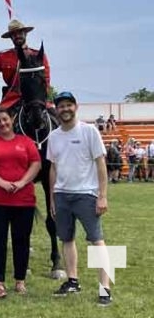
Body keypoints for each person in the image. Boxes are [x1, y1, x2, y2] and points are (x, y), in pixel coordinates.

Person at [47, 91, 112, 307]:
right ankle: (72, 281)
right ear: (56, 110)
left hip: (86, 194)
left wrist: (102, 196)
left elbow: (100, 164)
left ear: (76, 107)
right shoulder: (54, 136)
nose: (65, 109)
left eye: (68, 105)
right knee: (66, 239)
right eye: (61, 106)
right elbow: (53, 168)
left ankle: (105, 289)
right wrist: (52, 198)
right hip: (62, 195)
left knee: (97, 240)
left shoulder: (89, 131)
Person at [0, 107, 41, 299]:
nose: (2, 124)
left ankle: (20, 280)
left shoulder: (26, 141)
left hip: (24, 200)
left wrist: (22, 182)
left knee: (21, 240)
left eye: (5, 120)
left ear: (11, 119)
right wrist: (1, 182)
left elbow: (36, 163)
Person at [0, 19, 51, 114]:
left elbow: (46, 80)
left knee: (56, 117)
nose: (17, 35)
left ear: (25, 34)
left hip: (36, 97)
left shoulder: (38, 55)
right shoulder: (3, 56)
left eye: (20, 32)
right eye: (14, 34)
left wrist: (42, 98)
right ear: (11, 37)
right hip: (13, 99)